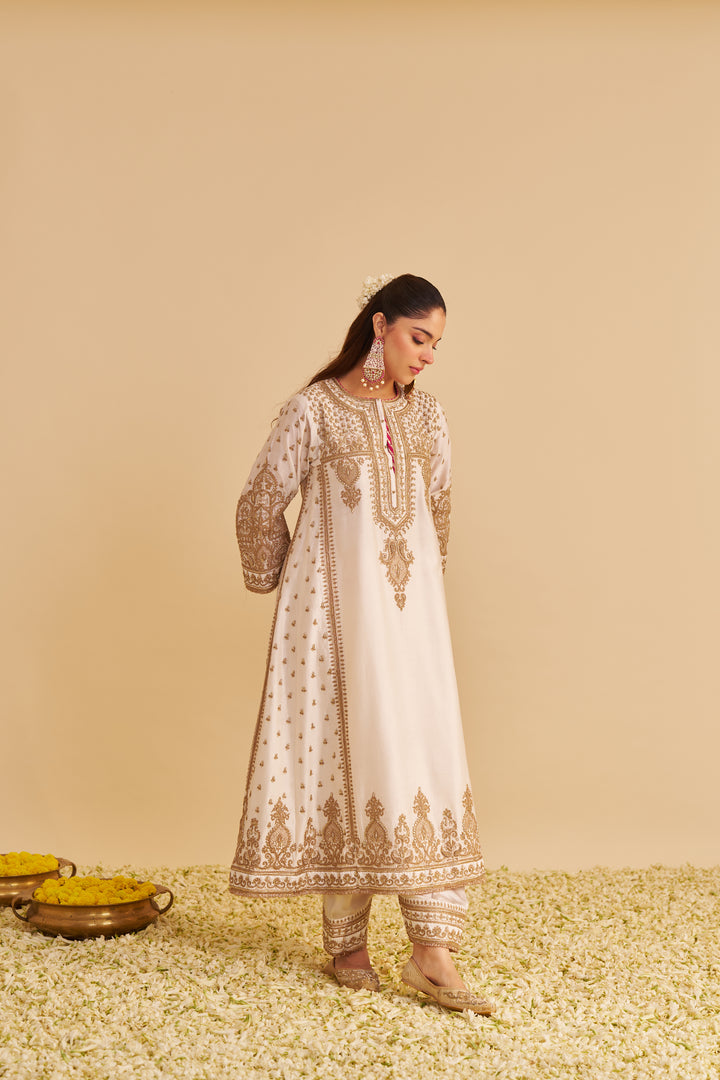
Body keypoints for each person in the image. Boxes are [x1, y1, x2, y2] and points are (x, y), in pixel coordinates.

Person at [229, 273, 492, 1015]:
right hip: (332, 620)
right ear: (379, 326)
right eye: (419, 337)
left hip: (411, 624)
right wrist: (275, 579)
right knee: (345, 750)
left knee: (419, 752)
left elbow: (435, 513)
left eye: (437, 343)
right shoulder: (313, 410)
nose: (429, 355)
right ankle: (346, 940)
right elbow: (259, 498)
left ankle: (432, 951)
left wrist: (418, 600)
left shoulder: (430, 419)